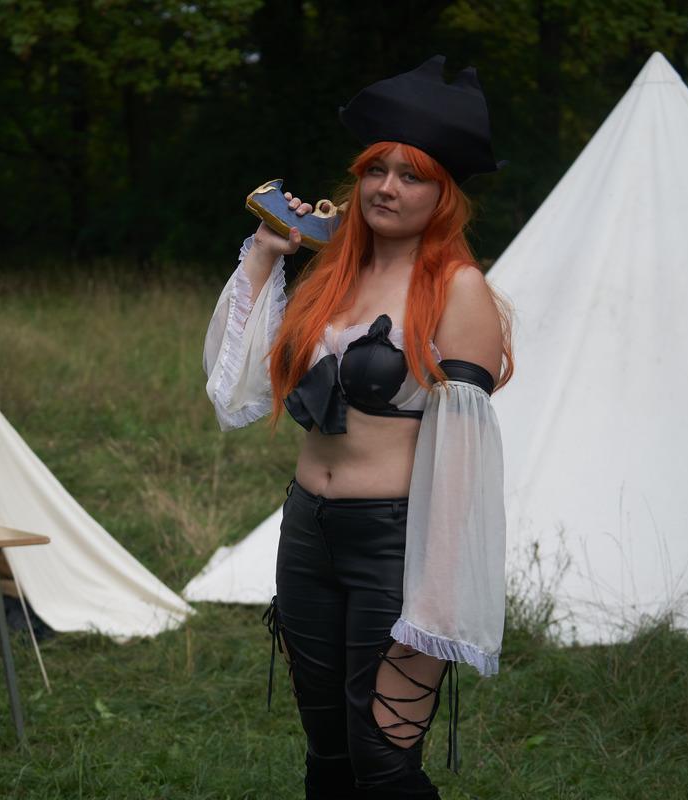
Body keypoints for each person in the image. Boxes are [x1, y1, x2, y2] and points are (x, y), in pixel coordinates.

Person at [203, 55, 513, 799]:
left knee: (382, 762)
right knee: (329, 757)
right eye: (377, 169)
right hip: (308, 531)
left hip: (394, 542)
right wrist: (267, 253)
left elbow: (466, 461)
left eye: (411, 176)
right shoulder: (334, 274)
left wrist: (438, 593)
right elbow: (237, 393)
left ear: (443, 194)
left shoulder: (459, 290)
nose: (387, 188)